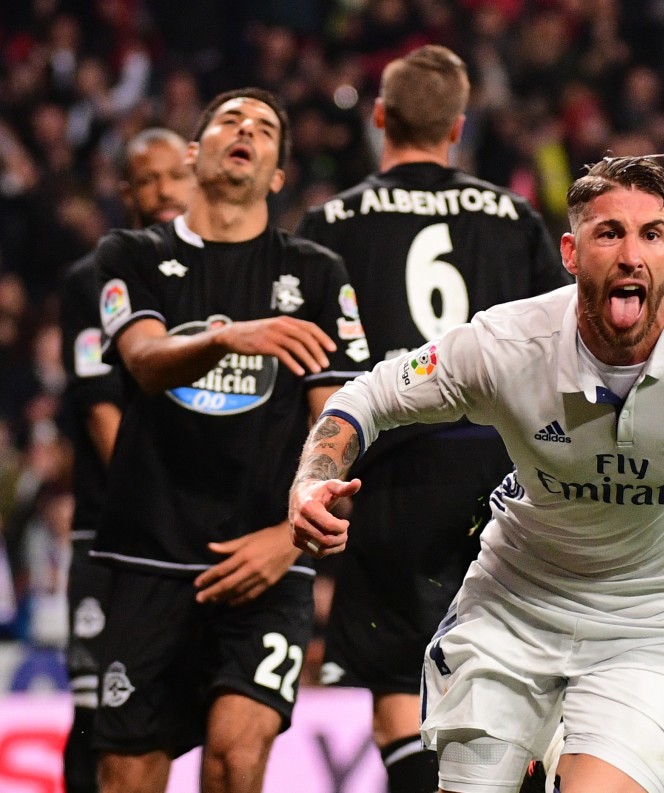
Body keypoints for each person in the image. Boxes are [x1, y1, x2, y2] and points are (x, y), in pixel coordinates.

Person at [289, 155, 664, 793]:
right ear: (570, 252)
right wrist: (313, 476)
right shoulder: (508, 345)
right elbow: (367, 398)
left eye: (650, 235)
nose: (630, 254)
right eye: (609, 232)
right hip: (514, 609)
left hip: (652, 622)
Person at [294, 44, 569, 793]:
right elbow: (562, 350)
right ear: (458, 125)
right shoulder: (513, 217)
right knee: (520, 678)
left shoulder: (331, 221)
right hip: (502, 474)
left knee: (398, 699)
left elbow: (312, 370)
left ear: (380, 117)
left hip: (388, 477)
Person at [91, 88, 369, 793]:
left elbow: (341, 421)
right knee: (127, 775)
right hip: (148, 556)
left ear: (277, 173)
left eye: (265, 127)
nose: (246, 130)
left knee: (237, 760)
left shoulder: (315, 275)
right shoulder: (132, 254)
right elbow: (147, 361)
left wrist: (291, 537)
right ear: (195, 153)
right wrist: (231, 336)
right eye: (229, 121)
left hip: (268, 564)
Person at [58, 127, 193, 793]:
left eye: (175, 175)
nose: (164, 190)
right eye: (149, 179)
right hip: (113, 535)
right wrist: (164, 497)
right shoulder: (89, 282)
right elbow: (98, 406)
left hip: (195, 534)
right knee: (96, 713)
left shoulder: (211, 275)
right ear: (126, 191)